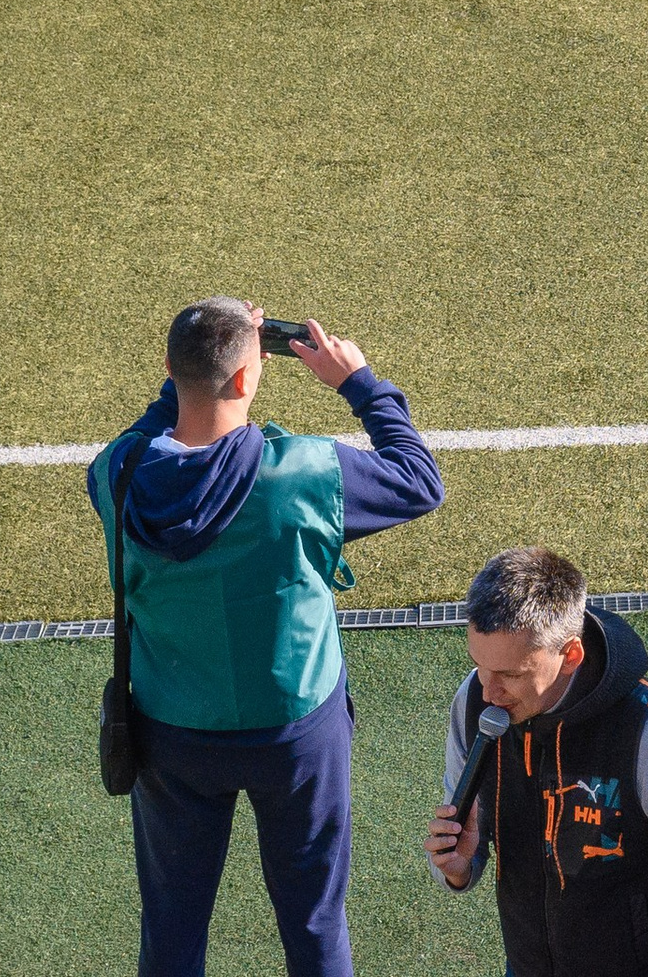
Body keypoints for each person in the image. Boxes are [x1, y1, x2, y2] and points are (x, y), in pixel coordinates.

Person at [89, 302, 442, 977]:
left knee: (171, 928)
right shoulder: (306, 474)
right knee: (314, 923)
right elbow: (419, 480)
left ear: (169, 369)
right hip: (297, 733)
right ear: (250, 379)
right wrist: (359, 383)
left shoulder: (116, 477)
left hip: (171, 732)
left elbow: (147, 432)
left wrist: (194, 370)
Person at [426, 546, 648, 977]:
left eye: (512, 674)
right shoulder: (474, 706)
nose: (488, 691)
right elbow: (465, 849)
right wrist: (460, 866)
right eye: (479, 665)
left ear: (570, 655)